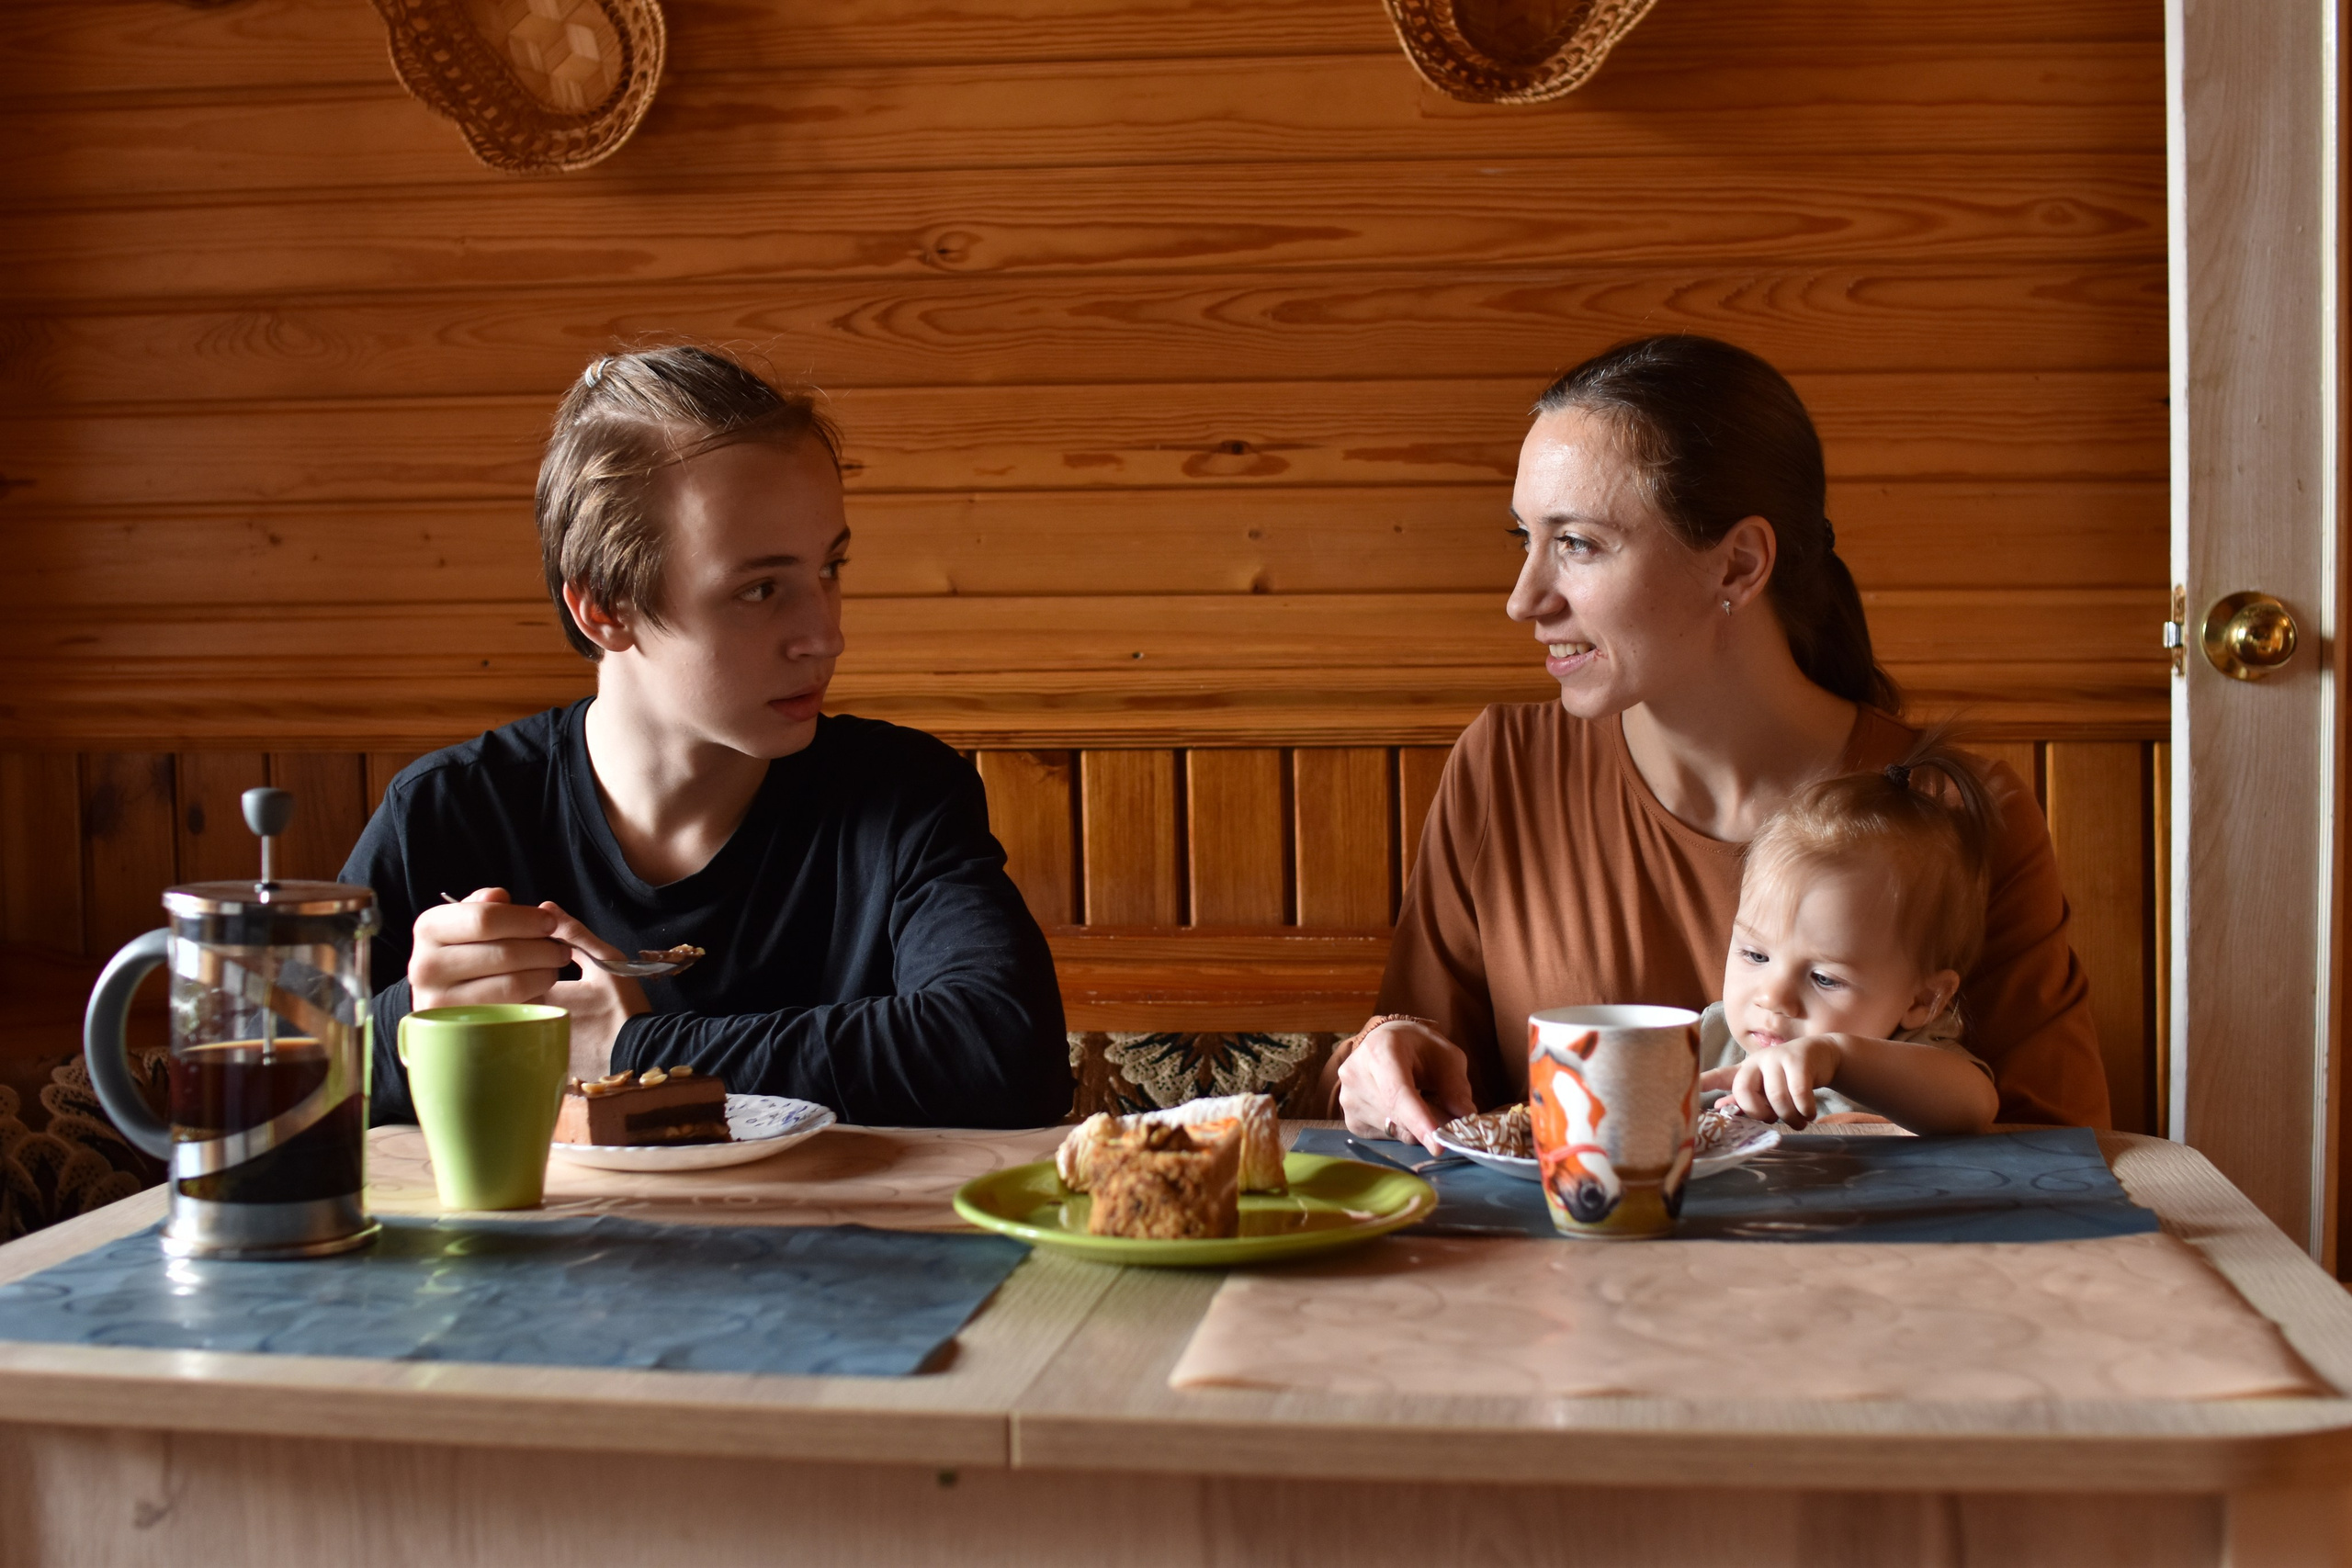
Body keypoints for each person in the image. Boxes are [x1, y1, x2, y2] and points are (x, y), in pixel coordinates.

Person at [1328, 334, 2109, 1146]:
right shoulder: (1503, 768)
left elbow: (2065, 1148)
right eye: (1524, 538)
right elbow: (1411, 1088)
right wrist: (1379, 1056)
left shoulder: (1956, 809)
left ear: (1737, 564)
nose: (1524, 599)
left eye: (1577, 543)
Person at [344, 345, 1070, 1129]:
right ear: (605, 608)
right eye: (761, 589)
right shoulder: (444, 813)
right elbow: (279, 1084)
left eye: (830, 568)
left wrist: (632, 1052)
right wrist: (414, 1023)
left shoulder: (901, 795)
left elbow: (1010, 1053)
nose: (826, 636)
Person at [1697, 739, 2002, 1136]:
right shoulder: (1715, 1039)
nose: (1773, 998)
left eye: (1824, 978)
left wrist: (1838, 1057)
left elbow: (1975, 1108)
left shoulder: (1916, 1058)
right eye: (1756, 955)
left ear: (1922, 1000)